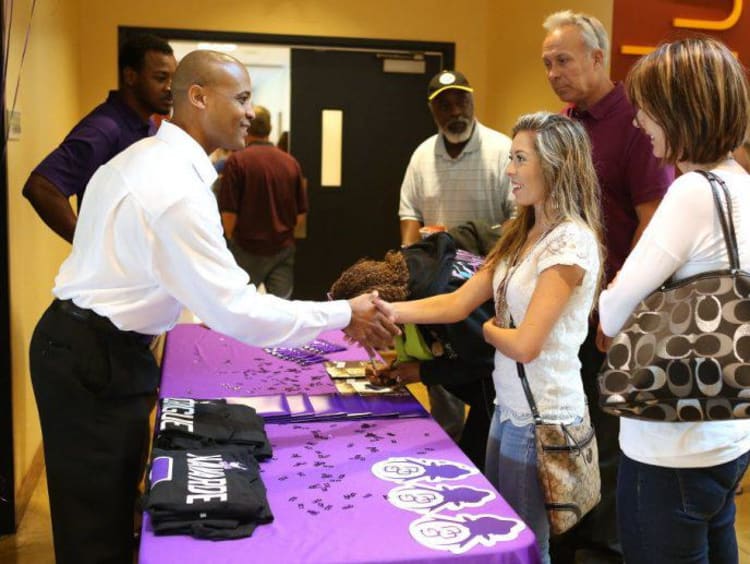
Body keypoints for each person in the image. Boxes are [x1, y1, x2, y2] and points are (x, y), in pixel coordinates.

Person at [28, 50, 399, 564]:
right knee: (95, 529)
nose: (251, 111)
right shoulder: (174, 187)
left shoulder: (147, 159)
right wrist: (344, 313)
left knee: (111, 509)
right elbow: (236, 311)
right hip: (93, 354)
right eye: (243, 98)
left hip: (96, 345)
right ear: (198, 98)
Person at [379, 112, 604, 563]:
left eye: (520, 159)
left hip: (542, 417)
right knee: (505, 536)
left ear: (556, 165)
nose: (509, 171)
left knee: (524, 544)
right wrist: (384, 310)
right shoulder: (522, 233)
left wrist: (487, 328)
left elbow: (524, 344)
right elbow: (457, 302)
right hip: (509, 409)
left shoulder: (570, 243)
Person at [599, 37, 750, 564]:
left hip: (669, 443)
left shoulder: (691, 193)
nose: (640, 122)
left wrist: (613, 299)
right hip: (729, 429)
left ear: (679, 110)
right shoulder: (742, 187)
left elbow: (615, 310)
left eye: (647, 108)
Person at [541, 11, 675, 562]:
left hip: (614, 311)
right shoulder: (564, 124)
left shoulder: (635, 124)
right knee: (574, 424)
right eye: (547, 62)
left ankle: (605, 547)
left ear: (598, 57)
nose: (554, 71)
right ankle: (575, 536)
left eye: (564, 60)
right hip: (567, 306)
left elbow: (654, 220)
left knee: (609, 434)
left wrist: (618, 306)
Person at [398, 69, 514, 444]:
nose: (454, 110)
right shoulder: (421, 155)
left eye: (461, 100)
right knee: (439, 372)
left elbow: (518, 220)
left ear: (473, 100)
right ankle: (444, 445)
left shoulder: (502, 150)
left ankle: (484, 443)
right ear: (432, 110)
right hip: (436, 286)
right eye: (443, 104)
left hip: (488, 285)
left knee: (481, 372)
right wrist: (408, 269)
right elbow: (409, 216)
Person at [329, 230, 496, 469]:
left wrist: (423, 372)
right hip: (489, 394)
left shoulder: (444, 297)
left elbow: (487, 359)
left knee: (482, 470)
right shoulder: (413, 279)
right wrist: (404, 365)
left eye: (362, 331)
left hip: (506, 396)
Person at [22, 34, 177, 243]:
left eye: (173, 79)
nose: (170, 88)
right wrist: (88, 247)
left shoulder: (148, 125)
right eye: (160, 78)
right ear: (131, 77)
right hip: (112, 269)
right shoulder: (104, 128)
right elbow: (41, 187)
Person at [219, 105, 307, 298]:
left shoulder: (237, 161)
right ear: (269, 128)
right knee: (282, 310)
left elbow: (229, 213)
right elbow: (300, 215)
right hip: (282, 248)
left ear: (246, 127)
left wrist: (232, 241)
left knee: (239, 306)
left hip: (246, 249)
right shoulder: (290, 162)